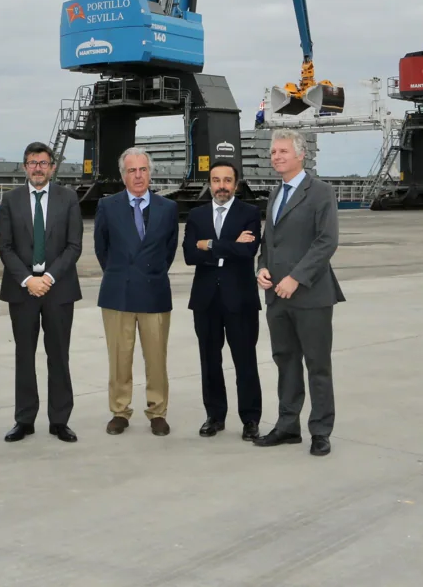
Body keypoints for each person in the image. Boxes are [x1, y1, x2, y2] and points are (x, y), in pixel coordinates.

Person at [254, 129, 343, 457]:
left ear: (300, 154)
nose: (275, 156)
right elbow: (269, 241)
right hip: (277, 296)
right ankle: (287, 425)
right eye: (273, 152)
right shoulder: (275, 193)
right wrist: (261, 267)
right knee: (285, 361)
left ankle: (321, 430)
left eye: (281, 151)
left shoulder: (320, 192)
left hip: (310, 296)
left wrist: (296, 278)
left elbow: (326, 241)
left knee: (317, 365)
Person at [0, 142, 83, 443]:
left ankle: (59, 420)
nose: (37, 168)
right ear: (24, 167)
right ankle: (24, 419)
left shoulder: (68, 198)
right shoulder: (10, 199)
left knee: (58, 356)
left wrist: (48, 276)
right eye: (32, 162)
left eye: (43, 163)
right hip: (22, 291)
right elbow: (4, 247)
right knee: (24, 356)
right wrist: (27, 279)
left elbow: (74, 246)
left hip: (58, 289)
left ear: (52, 167)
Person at [93, 146, 179, 436]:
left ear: (150, 173)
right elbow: (102, 249)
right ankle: (120, 411)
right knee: (119, 357)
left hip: (154, 292)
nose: (138, 175)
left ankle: (157, 411)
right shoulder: (108, 206)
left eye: (143, 169)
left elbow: (168, 251)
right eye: (132, 170)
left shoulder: (168, 208)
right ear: (123, 175)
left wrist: (148, 272)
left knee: (157, 358)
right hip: (119, 293)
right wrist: (122, 273)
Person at [182, 159, 262, 442]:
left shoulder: (250, 213)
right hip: (205, 300)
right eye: (216, 180)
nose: (221, 186)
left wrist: (212, 245)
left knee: (245, 361)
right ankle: (214, 416)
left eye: (227, 181)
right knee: (209, 361)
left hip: (240, 299)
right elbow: (190, 255)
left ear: (236, 185)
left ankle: (251, 419)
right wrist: (230, 246)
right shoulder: (197, 215)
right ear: (210, 183)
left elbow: (248, 250)